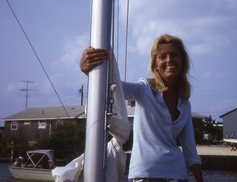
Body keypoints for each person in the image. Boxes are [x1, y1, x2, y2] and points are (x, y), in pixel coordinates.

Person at [80, 34, 204, 182]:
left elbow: (191, 152)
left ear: (182, 60)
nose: (169, 60)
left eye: (174, 55)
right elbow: (115, 87)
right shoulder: (144, 89)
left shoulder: (185, 103)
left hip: (178, 175)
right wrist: (90, 72)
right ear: (155, 64)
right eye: (162, 56)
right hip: (145, 175)